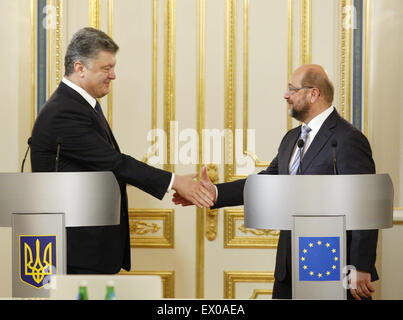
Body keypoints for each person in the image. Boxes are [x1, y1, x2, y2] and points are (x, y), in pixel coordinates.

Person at [173, 64, 378, 300]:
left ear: (314, 93)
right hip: (289, 269)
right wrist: (214, 193)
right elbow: (266, 183)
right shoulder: (292, 139)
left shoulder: (348, 138)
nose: (285, 95)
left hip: (332, 267)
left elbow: (364, 201)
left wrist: (361, 266)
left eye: (292, 89)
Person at [30, 27, 213, 274]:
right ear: (80, 68)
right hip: (74, 252)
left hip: (86, 249)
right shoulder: (65, 111)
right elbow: (114, 163)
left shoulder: (79, 104)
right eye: (106, 68)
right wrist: (174, 181)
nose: (113, 75)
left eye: (113, 67)